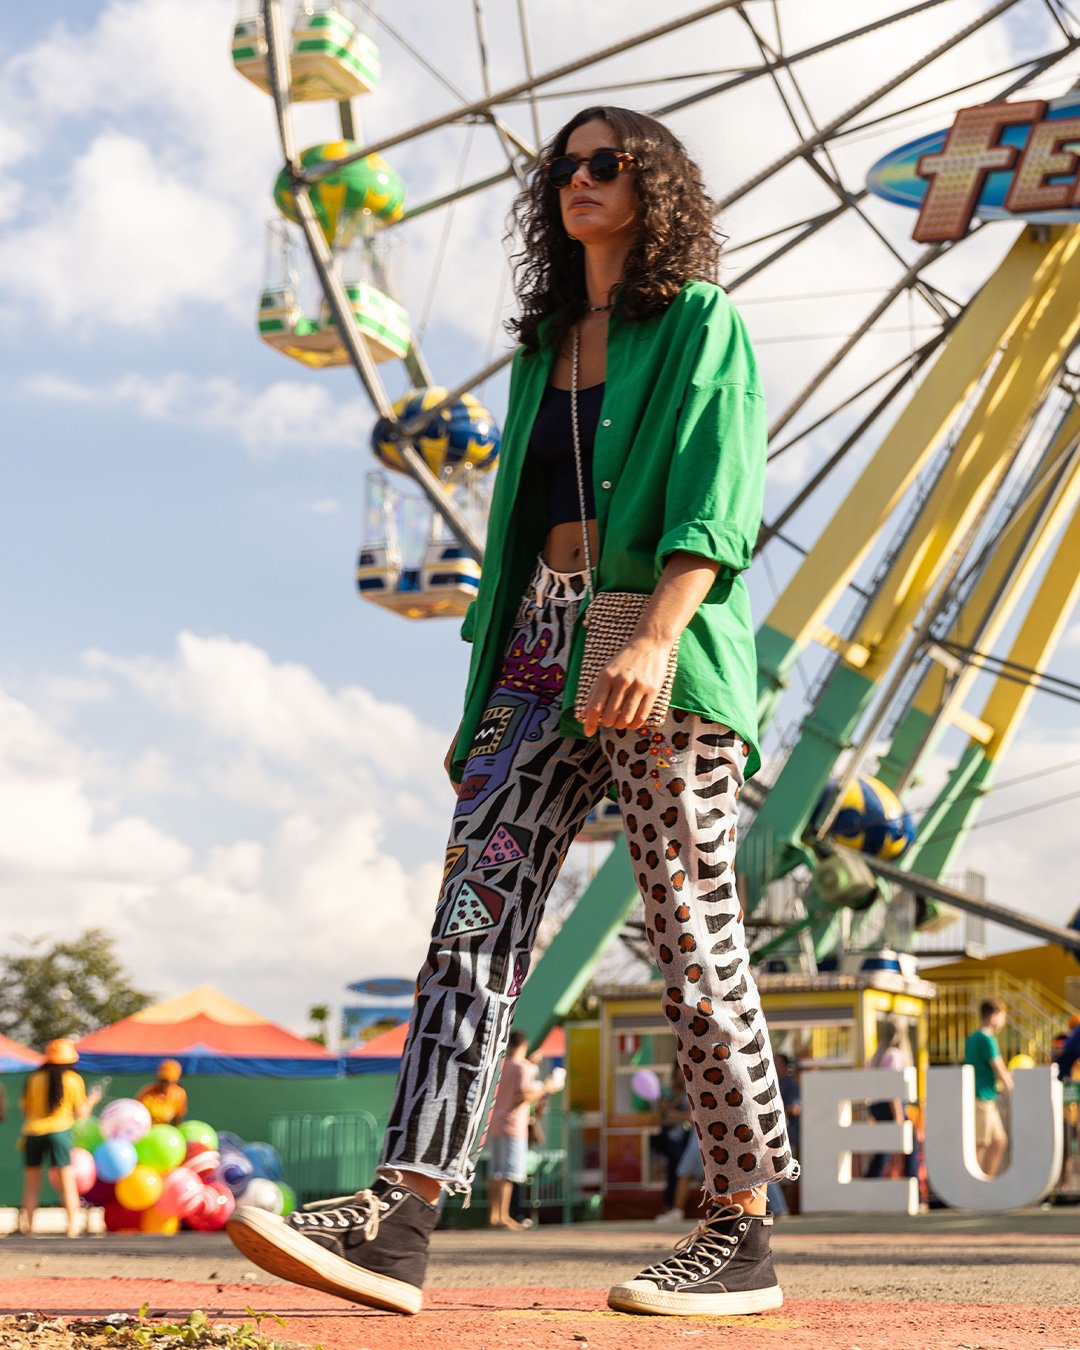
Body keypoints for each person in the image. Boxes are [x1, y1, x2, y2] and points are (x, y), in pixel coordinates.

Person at [227, 104, 797, 1319]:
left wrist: (654, 633)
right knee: (471, 924)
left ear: (654, 188)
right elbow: (507, 544)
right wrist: (488, 704)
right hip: (537, 643)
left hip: (654, 632)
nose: (578, 181)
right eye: (564, 166)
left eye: (606, 164)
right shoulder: (545, 350)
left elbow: (717, 491)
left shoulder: (703, 322)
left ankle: (740, 1228)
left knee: (690, 924)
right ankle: (403, 1211)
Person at [19, 1039, 101, 1238]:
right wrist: (93, 1099)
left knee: (31, 1184)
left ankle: (28, 1228)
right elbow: (81, 1113)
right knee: (67, 1183)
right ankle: (72, 1227)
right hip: (60, 1132)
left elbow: (26, 1109)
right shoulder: (73, 1080)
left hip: (32, 1133)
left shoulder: (34, 1078)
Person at [486, 1030, 558, 1229]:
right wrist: (547, 1087)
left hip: (497, 1122)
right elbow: (525, 1096)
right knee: (508, 1173)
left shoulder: (503, 1066)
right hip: (514, 1125)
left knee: (495, 1173)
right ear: (525, 1045)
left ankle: (494, 1216)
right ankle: (504, 1216)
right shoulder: (524, 1068)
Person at [964, 998, 1013, 1177]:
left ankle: (987, 1179)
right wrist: (1012, 1088)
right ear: (993, 1016)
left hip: (986, 1097)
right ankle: (975, 1185)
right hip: (981, 1097)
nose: (1003, 1021)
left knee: (999, 1141)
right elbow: (999, 1067)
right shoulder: (986, 1038)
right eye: (1002, 1016)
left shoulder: (973, 1037)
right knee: (980, 1142)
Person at [864, 1021, 918, 1182]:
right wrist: (898, 1115)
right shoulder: (894, 1055)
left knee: (883, 1148)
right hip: (890, 1106)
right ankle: (911, 1181)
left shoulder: (877, 1055)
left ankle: (870, 1181)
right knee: (911, 1142)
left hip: (876, 1106)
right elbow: (892, 1087)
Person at [653, 1061, 691, 1221]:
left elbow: (689, 1116)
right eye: (678, 1073)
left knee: (681, 1170)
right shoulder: (666, 1092)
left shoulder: (691, 1091)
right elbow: (663, 1114)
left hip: (687, 1136)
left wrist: (672, 1111)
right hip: (669, 1137)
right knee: (674, 1170)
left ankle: (676, 1207)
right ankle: (671, 1206)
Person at [136, 1059, 188, 1125]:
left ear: (175, 1081)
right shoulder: (147, 1093)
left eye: (167, 1081)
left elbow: (177, 1120)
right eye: (162, 1080)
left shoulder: (179, 1094)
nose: (163, 1084)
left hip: (164, 1132)